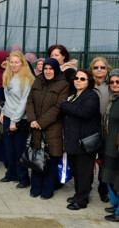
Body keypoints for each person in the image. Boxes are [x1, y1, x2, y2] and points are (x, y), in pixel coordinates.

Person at [26, 58, 69, 199]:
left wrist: (41, 122)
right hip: (36, 127)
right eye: (45, 69)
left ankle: (47, 191)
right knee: (37, 159)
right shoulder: (37, 80)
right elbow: (30, 101)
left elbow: (58, 108)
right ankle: (35, 188)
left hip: (53, 129)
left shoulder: (63, 85)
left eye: (51, 69)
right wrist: (32, 120)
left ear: (56, 69)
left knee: (51, 160)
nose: (48, 71)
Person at [61, 69, 100, 210]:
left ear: (89, 81)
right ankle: (79, 194)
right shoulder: (73, 94)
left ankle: (82, 200)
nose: (78, 80)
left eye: (82, 79)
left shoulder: (92, 96)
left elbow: (83, 112)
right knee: (77, 171)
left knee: (83, 172)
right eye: (76, 78)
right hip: (72, 140)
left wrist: (65, 106)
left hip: (84, 141)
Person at [0, 51, 35, 188]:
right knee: (9, 149)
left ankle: (23, 179)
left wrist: (14, 121)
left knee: (19, 150)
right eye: (11, 62)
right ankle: (11, 174)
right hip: (7, 117)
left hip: (20, 120)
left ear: (22, 63)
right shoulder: (7, 76)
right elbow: (8, 99)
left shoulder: (26, 80)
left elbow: (23, 102)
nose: (13, 65)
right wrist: (3, 112)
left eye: (16, 62)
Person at [90, 57, 112, 203]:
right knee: (88, 158)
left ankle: (103, 188)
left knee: (104, 159)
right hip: (90, 127)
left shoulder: (112, 84)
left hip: (107, 129)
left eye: (102, 67)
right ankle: (85, 186)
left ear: (107, 69)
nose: (99, 70)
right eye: (96, 67)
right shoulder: (87, 83)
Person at [102, 69, 119, 222]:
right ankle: (116, 204)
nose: (114, 84)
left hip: (117, 146)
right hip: (110, 146)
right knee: (110, 176)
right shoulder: (114, 99)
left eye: (118, 81)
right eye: (112, 82)